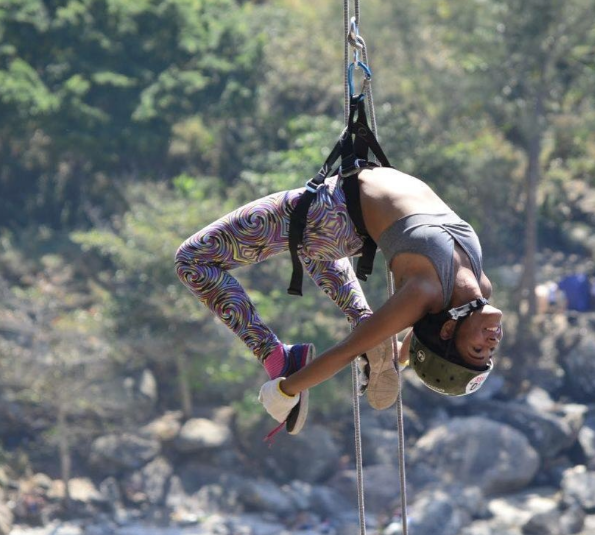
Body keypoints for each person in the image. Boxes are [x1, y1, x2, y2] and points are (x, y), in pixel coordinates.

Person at [175, 166, 503, 435]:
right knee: (315, 248)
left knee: (192, 259)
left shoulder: (426, 291)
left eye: (478, 349)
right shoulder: (476, 289)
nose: (492, 341)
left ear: (449, 331)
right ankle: (367, 324)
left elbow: (346, 351)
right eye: (488, 351)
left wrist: (285, 390)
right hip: (345, 228)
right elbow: (422, 332)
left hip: (329, 212)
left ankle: (275, 355)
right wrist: (400, 359)